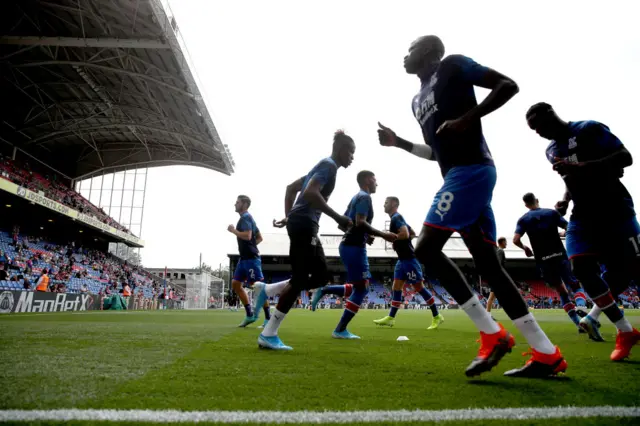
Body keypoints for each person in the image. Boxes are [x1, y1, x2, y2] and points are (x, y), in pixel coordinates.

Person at [378, 35, 566, 378]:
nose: (405, 55)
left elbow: (508, 86)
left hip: (472, 172)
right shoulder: (416, 99)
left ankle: (492, 335)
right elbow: (435, 150)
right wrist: (399, 143)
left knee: (426, 249)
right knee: (490, 268)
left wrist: (469, 118)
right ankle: (546, 353)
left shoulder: (453, 66)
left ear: (432, 52)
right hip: (457, 177)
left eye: (412, 49)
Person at [526, 102, 640, 360]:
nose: (538, 133)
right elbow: (571, 178)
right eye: (533, 130)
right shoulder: (551, 150)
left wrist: (586, 167)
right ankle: (625, 330)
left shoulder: (589, 129)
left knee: (626, 272)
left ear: (551, 116)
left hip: (615, 208)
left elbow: (626, 158)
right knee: (580, 268)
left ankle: (594, 316)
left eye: (539, 126)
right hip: (582, 215)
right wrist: (565, 199)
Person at [254, 130, 355, 350]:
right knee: (300, 279)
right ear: (341, 149)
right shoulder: (328, 166)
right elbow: (310, 193)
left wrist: (289, 216)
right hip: (305, 225)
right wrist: (338, 217)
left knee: (320, 276)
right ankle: (268, 333)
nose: (352, 157)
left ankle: (268, 290)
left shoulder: (321, 167)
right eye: (351, 152)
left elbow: (291, 189)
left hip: (304, 224)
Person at [310, 171, 396, 339]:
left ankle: (325, 290)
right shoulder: (365, 197)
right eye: (374, 179)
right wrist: (383, 234)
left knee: (359, 286)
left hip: (349, 245)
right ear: (366, 180)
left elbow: (344, 225)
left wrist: (366, 235)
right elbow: (360, 222)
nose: (376, 183)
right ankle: (340, 329)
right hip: (354, 247)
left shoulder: (355, 198)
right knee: (362, 287)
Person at [513, 192, 588, 331]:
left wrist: (525, 248)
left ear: (525, 204)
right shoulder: (551, 213)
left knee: (561, 291)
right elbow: (569, 227)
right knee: (574, 285)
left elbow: (516, 240)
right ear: (537, 200)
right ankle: (581, 307)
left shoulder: (523, 219)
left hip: (543, 261)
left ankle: (578, 324)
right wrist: (562, 234)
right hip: (559, 255)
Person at [373, 196, 444, 329]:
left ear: (394, 204)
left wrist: (393, 238)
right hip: (402, 260)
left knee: (419, 288)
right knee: (396, 287)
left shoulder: (396, 218)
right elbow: (411, 233)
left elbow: (405, 234)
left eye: (386, 203)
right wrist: (399, 242)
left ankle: (437, 316)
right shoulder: (397, 219)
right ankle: (391, 318)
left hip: (409, 260)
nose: (384, 205)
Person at [227, 195, 269, 327]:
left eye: (237, 202)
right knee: (235, 284)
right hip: (244, 258)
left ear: (244, 204)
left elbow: (248, 235)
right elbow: (259, 238)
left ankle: (268, 318)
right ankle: (250, 315)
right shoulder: (249, 218)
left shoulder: (245, 217)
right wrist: (250, 246)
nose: (235, 204)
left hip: (251, 259)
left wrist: (233, 230)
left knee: (259, 288)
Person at [485, 237, 507, 313]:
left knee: (492, 297)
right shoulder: (500, 251)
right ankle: (487, 314)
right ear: (502, 242)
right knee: (492, 297)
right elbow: (498, 264)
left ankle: (488, 314)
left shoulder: (497, 250)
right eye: (505, 242)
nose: (506, 243)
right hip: (498, 278)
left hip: (496, 278)